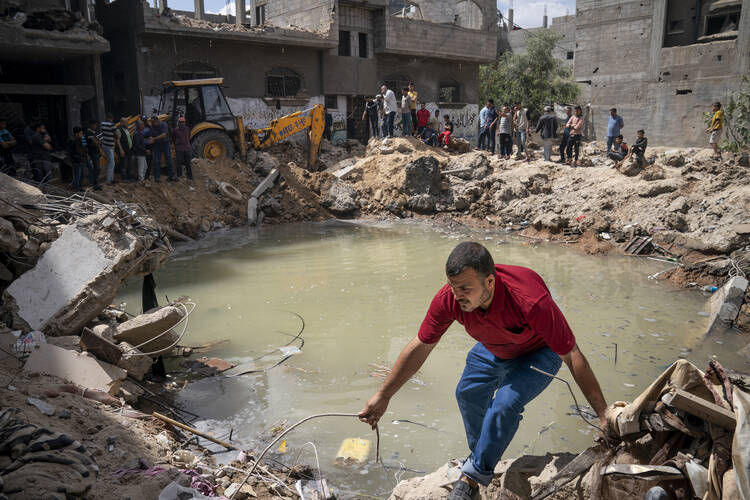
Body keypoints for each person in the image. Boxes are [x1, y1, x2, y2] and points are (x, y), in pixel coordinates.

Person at [358, 242, 609, 500]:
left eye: (466, 288)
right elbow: (421, 346)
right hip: (494, 346)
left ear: (490, 282)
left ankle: (472, 476)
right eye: (453, 287)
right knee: (467, 393)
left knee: (505, 403)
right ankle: (482, 459)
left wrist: (603, 416)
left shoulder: (529, 299)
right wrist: (384, 395)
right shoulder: (449, 298)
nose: (457, 295)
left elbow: (571, 353)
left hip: (540, 351)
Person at [148, 115, 174, 182]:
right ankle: (157, 178)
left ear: (157, 121)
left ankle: (171, 176)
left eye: (154, 122)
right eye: (152, 122)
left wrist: (154, 138)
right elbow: (150, 135)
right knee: (157, 161)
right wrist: (151, 138)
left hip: (165, 143)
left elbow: (164, 135)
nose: (153, 123)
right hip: (157, 145)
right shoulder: (152, 127)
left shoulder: (164, 124)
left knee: (168, 159)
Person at [68, 126, 89, 191]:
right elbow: (73, 153)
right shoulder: (72, 141)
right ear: (76, 134)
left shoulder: (81, 140)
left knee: (82, 176)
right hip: (76, 162)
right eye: (80, 133)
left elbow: (85, 149)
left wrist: (85, 157)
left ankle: (80, 187)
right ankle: (76, 189)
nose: (82, 135)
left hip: (82, 160)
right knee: (77, 176)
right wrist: (80, 159)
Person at [98, 113, 117, 184]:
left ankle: (111, 178)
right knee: (111, 163)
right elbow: (116, 135)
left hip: (104, 145)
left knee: (110, 162)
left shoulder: (102, 124)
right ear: (112, 118)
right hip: (109, 146)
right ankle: (109, 180)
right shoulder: (112, 125)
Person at [84, 119, 101, 189]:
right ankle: (95, 184)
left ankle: (95, 183)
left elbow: (98, 142)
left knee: (96, 168)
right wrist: (96, 142)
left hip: (95, 152)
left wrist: (96, 142)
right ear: (91, 125)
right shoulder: (88, 132)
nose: (95, 126)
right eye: (94, 124)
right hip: (92, 153)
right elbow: (96, 143)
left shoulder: (93, 133)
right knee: (96, 168)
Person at [116, 117, 134, 182]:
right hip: (123, 150)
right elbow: (118, 141)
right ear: (122, 123)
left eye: (127, 122)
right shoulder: (119, 130)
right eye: (126, 122)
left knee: (129, 163)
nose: (127, 123)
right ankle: (124, 178)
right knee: (123, 164)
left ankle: (129, 177)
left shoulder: (126, 129)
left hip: (128, 150)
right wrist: (121, 150)